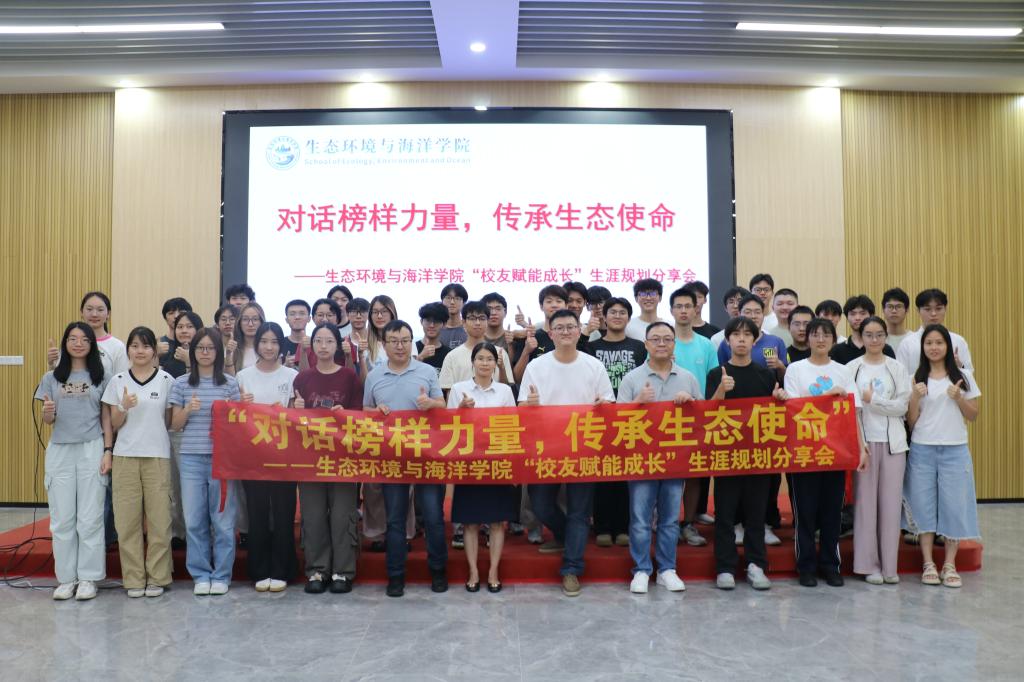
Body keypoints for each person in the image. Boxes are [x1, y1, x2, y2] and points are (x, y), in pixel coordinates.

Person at [520, 309, 615, 597]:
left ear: (578, 331)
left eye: (570, 327)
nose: (565, 332)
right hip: (545, 449)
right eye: (559, 327)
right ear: (550, 333)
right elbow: (521, 407)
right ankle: (564, 535)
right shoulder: (537, 366)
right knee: (540, 504)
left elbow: (609, 405)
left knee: (579, 511)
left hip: (583, 448)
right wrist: (530, 405)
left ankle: (572, 568)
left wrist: (603, 405)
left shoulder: (593, 365)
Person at [363, 320, 448, 597]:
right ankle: (396, 576)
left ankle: (438, 571)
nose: (400, 346)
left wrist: (431, 404)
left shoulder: (426, 371)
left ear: (412, 342)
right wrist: (375, 412)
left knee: (433, 517)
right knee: (395, 520)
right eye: (394, 341)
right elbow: (365, 410)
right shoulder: (374, 375)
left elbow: (443, 405)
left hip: (426, 456)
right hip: (393, 458)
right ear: (384, 344)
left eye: (405, 340)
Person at [783, 317, 868, 587]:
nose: (820, 339)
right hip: (804, 452)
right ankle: (806, 567)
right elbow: (794, 408)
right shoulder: (795, 369)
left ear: (833, 339)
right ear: (807, 338)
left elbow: (853, 412)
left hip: (835, 452)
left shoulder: (843, 371)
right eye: (815, 334)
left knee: (832, 513)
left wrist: (861, 447)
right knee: (805, 513)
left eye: (826, 335)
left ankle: (831, 565)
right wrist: (827, 397)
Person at [618, 321, 700, 594]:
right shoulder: (632, 379)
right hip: (641, 460)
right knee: (640, 519)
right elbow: (616, 421)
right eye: (656, 339)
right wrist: (638, 401)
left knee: (669, 519)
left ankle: (667, 569)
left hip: (676, 460)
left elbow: (704, 417)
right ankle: (641, 570)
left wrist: (691, 402)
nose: (661, 343)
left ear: (674, 344)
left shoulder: (688, 378)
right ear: (646, 344)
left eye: (667, 339)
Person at [705, 316, 785, 591]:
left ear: (754, 340)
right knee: (725, 515)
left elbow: (775, 415)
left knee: (755, 514)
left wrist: (780, 400)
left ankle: (756, 565)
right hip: (726, 456)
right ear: (727, 341)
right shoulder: (717, 374)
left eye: (747, 334)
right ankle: (725, 568)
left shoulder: (765, 374)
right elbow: (707, 414)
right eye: (736, 335)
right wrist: (721, 391)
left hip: (758, 456)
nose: (741, 339)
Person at [36, 322, 112, 601]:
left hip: (92, 447)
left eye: (84, 339)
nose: (78, 343)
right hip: (60, 450)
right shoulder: (51, 377)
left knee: (90, 518)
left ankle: (89, 578)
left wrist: (108, 450)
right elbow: (48, 420)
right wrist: (47, 412)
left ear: (92, 345)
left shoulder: (102, 376)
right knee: (62, 518)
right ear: (65, 343)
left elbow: (106, 417)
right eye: (72, 339)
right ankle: (67, 579)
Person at [904, 324, 981, 588]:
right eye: (929, 343)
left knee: (953, 507)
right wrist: (915, 398)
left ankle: (949, 564)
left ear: (948, 346)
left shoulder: (963, 376)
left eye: (939, 342)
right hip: (922, 449)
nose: (934, 347)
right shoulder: (915, 378)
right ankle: (928, 563)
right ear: (922, 347)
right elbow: (911, 422)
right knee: (923, 506)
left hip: (955, 449)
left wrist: (959, 398)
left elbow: (973, 414)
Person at [102, 326, 174, 598]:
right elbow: (113, 423)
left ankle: (158, 577)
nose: (140, 351)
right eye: (134, 346)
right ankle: (133, 579)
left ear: (154, 350)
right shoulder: (117, 380)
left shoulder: (166, 380)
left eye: (145, 346)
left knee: (159, 521)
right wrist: (123, 407)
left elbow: (169, 422)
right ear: (128, 350)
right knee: (127, 522)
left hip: (157, 456)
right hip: (125, 456)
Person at [168, 328, 241, 596]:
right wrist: (188, 409)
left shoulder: (230, 384)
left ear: (219, 352)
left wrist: (233, 411)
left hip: (223, 460)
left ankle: (221, 575)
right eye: (200, 348)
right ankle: (200, 574)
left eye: (211, 348)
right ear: (193, 352)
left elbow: (239, 425)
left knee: (222, 520)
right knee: (194, 519)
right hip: (190, 459)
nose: (205, 352)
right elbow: (175, 425)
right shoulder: (181, 383)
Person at [292, 322, 363, 594]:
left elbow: (360, 416)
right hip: (310, 458)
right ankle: (317, 570)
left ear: (338, 346)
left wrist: (345, 413)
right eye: (318, 341)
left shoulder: (349, 377)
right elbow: (290, 422)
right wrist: (296, 408)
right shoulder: (302, 379)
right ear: (311, 345)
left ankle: (342, 571)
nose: (323, 346)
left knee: (343, 515)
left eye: (329, 341)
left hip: (343, 457)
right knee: (312, 515)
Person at [438, 300, 514, 549]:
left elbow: (507, 390)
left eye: (482, 318)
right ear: (464, 322)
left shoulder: (500, 354)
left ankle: (491, 529)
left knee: (493, 497)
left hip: (494, 444)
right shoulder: (453, 356)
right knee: (466, 495)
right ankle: (461, 529)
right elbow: (447, 399)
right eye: (472, 318)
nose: (478, 322)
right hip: (466, 442)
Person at [447, 342, 519, 592]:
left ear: (495, 363)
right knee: (470, 523)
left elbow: (512, 426)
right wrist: (461, 410)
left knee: (497, 522)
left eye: (489, 359)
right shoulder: (459, 389)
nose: (485, 363)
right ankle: (473, 571)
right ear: (473, 362)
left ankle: (493, 571)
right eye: (480, 358)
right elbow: (448, 426)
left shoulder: (504, 391)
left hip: (497, 463)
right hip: (469, 463)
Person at [847, 316, 911, 585]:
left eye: (879, 335)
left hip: (894, 444)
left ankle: (889, 567)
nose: (874, 340)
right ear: (861, 337)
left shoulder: (896, 368)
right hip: (864, 444)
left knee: (890, 505)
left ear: (886, 337)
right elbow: (852, 411)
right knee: (866, 506)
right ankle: (868, 565)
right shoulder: (852, 368)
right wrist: (859, 444)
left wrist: (874, 400)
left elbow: (902, 407)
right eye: (869, 335)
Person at [237, 322, 299, 593]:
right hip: (253, 456)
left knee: (284, 512)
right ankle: (260, 570)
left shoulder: (292, 376)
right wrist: (241, 407)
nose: (269, 347)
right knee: (257, 512)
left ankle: (283, 569)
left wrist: (296, 408)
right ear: (257, 344)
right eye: (264, 341)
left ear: (281, 344)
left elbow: (298, 418)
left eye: (274, 342)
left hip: (284, 456)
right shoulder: (243, 376)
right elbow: (234, 417)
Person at [584, 297, 647, 549]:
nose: (617, 316)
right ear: (604, 317)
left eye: (622, 312)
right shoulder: (592, 347)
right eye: (613, 312)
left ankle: (622, 527)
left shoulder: (639, 347)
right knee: (601, 474)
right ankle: (602, 527)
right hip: (599, 419)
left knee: (624, 474)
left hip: (631, 418)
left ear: (629, 318)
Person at [667, 287, 718, 547]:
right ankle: (667, 524)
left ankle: (688, 523)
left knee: (695, 474)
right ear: (671, 310)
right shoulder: (663, 341)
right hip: (666, 420)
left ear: (696, 308)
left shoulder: (706, 344)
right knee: (668, 474)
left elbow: (713, 381)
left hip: (698, 418)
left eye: (688, 306)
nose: (684, 311)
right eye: (679, 306)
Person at [159, 310, 203, 547]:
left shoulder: (206, 354)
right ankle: (178, 531)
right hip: (173, 426)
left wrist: (189, 362)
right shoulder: (166, 356)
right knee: (174, 483)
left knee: (196, 487)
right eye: (180, 327)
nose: (184, 330)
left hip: (200, 430)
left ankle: (199, 532)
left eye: (189, 326)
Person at [896, 288, 973, 374]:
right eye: (927, 309)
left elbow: (969, 375)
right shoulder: (907, 344)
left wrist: (959, 367)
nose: (933, 314)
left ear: (945, 309)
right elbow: (900, 377)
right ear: (918, 311)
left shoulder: (958, 341)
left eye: (938, 309)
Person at [717, 294, 787, 383]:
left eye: (757, 312)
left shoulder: (776, 342)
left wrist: (780, 366)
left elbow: (786, 380)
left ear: (763, 315)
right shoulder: (727, 343)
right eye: (748, 312)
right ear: (739, 314)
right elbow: (720, 375)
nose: (753, 316)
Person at [511, 284, 567, 383]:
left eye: (559, 301)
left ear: (566, 306)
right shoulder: (529, 337)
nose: (554, 305)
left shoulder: (573, 337)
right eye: (549, 301)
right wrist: (526, 351)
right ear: (541, 306)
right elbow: (517, 379)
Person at [830, 295, 896, 364]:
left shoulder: (885, 349)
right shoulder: (837, 351)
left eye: (863, 313)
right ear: (847, 317)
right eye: (853, 314)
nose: (857, 318)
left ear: (871, 315)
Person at [415, 301, 451, 376]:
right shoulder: (411, 348)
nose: (432, 325)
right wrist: (420, 357)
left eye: (436, 321)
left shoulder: (449, 354)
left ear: (444, 324)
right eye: (428, 320)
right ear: (421, 322)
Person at [232, 302, 266, 374]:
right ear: (239, 322)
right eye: (245, 319)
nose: (250, 324)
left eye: (255, 319)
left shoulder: (269, 348)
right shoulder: (233, 349)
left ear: (261, 321)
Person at [366, 294, 398, 370]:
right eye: (375, 312)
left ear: (392, 314)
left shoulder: (406, 340)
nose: (379, 316)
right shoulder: (364, 343)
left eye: (384, 311)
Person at [280, 299, 310, 369]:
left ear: (309, 318)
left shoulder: (315, 343)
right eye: (292, 314)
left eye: (302, 313)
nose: (297, 317)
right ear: (286, 320)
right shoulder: (279, 343)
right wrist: (285, 366)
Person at [439, 283, 469, 349]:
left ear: (464, 303)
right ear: (442, 301)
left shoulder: (470, 328)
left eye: (457, 298)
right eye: (448, 298)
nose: (452, 302)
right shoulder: (436, 328)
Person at [881, 287, 911, 352]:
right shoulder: (878, 339)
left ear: (907, 310)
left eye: (899, 306)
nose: (894, 311)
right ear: (883, 310)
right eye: (890, 307)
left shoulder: (914, 339)